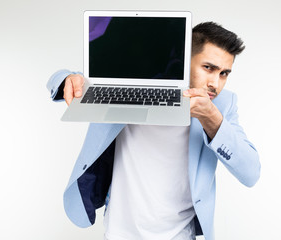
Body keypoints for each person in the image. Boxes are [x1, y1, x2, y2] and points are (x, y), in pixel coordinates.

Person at [47, 22, 261, 240]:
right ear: (184, 59)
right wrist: (69, 79)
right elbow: (62, 77)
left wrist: (212, 119)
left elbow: (251, 172)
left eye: (224, 73)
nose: (215, 83)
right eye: (208, 68)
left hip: (180, 235)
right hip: (119, 233)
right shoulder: (136, 85)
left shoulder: (222, 104)